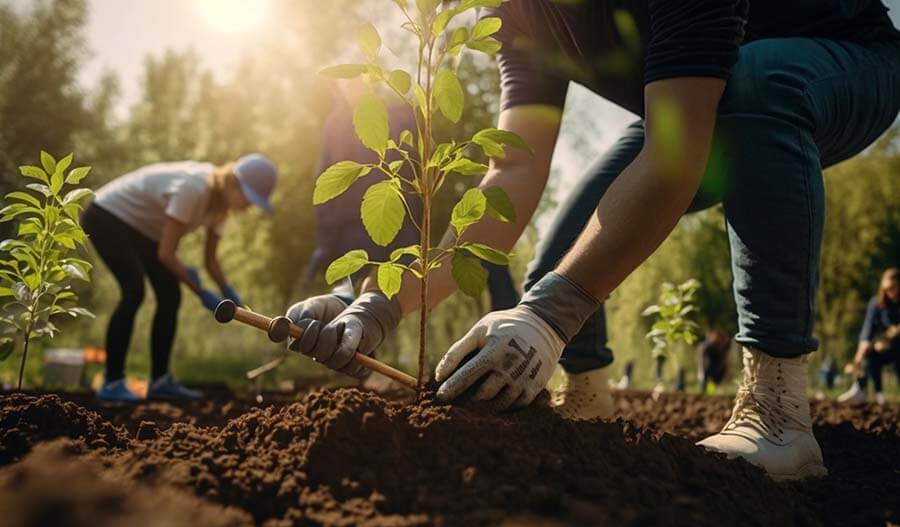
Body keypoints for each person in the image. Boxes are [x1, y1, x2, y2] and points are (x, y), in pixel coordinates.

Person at [285, 1, 900, 480]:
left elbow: (677, 155)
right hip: (698, 103)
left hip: (843, 63)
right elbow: (513, 171)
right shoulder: (518, 15)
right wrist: (380, 302)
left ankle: (779, 409)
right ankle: (584, 401)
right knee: (563, 255)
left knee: (760, 84)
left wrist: (551, 316)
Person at [302, 83, 519, 311]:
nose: (351, 89)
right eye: (345, 85)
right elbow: (326, 179)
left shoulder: (396, 114)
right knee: (351, 299)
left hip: (399, 224)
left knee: (395, 299)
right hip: (355, 229)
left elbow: (420, 162)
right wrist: (326, 239)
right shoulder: (339, 123)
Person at [81, 154, 277, 401]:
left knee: (169, 294)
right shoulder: (194, 188)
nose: (249, 207)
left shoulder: (221, 210)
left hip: (144, 230)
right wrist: (201, 292)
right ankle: (112, 381)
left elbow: (210, 260)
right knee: (134, 290)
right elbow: (166, 253)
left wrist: (227, 290)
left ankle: (160, 381)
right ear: (232, 182)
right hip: (107, 216)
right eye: (249, 199)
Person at [838, 267, 900, 405]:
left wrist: (890, 337)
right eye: (887, 289)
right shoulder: (876, 304)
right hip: (886, 348)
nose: (890, 292)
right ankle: (865, 391)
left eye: (894, 287)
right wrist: (858, 359)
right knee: (870, 354)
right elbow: (867, 332)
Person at [697, 330, 732, 394]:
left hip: (718, 366)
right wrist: (701, 370)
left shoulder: (726, 346)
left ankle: (711, 392)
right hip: (708, 365)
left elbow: (726, 359)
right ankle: (705, 392)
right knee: (706, 380)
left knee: (714, 382)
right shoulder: (708, 346)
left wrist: (727, 372)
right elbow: (701, 358)